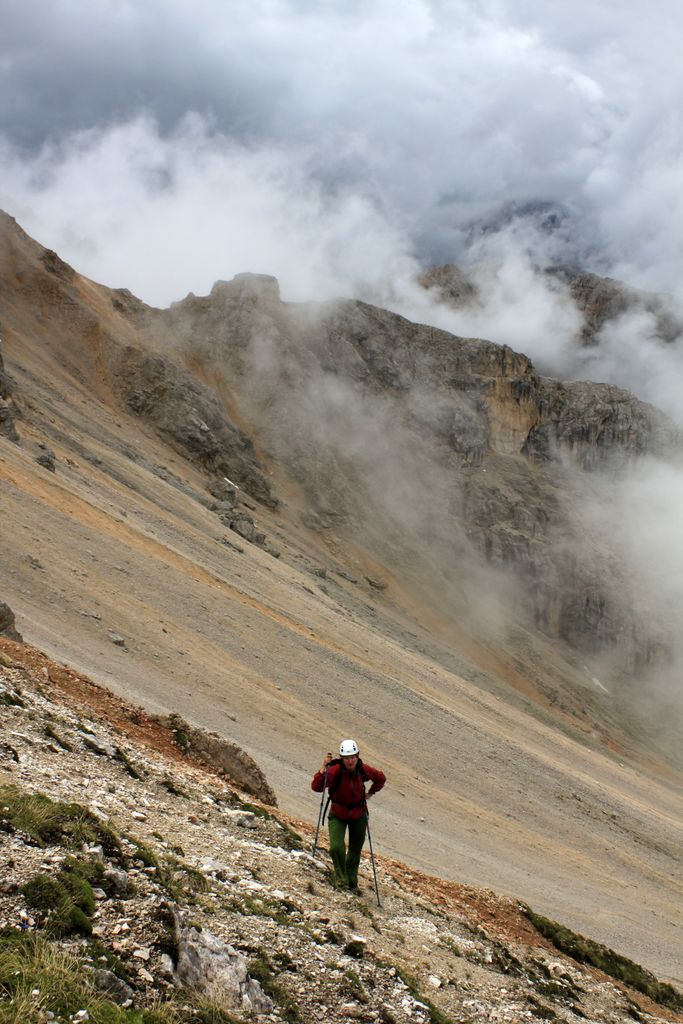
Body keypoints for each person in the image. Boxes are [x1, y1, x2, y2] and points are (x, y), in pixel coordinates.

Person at [311, 739, 385, 892]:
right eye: (347, 758)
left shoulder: (362, 769)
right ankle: (341, 879)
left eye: (352, 757)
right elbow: (317, 787)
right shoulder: (334, 771)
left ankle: (351, 882)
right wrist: (323, 768)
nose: (350, 761)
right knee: (336, 848)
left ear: (357, 756)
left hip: (358, 813)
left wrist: (370, 794)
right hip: (338, 812)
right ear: (342, 758)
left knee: (354, 851)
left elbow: (380, 778)